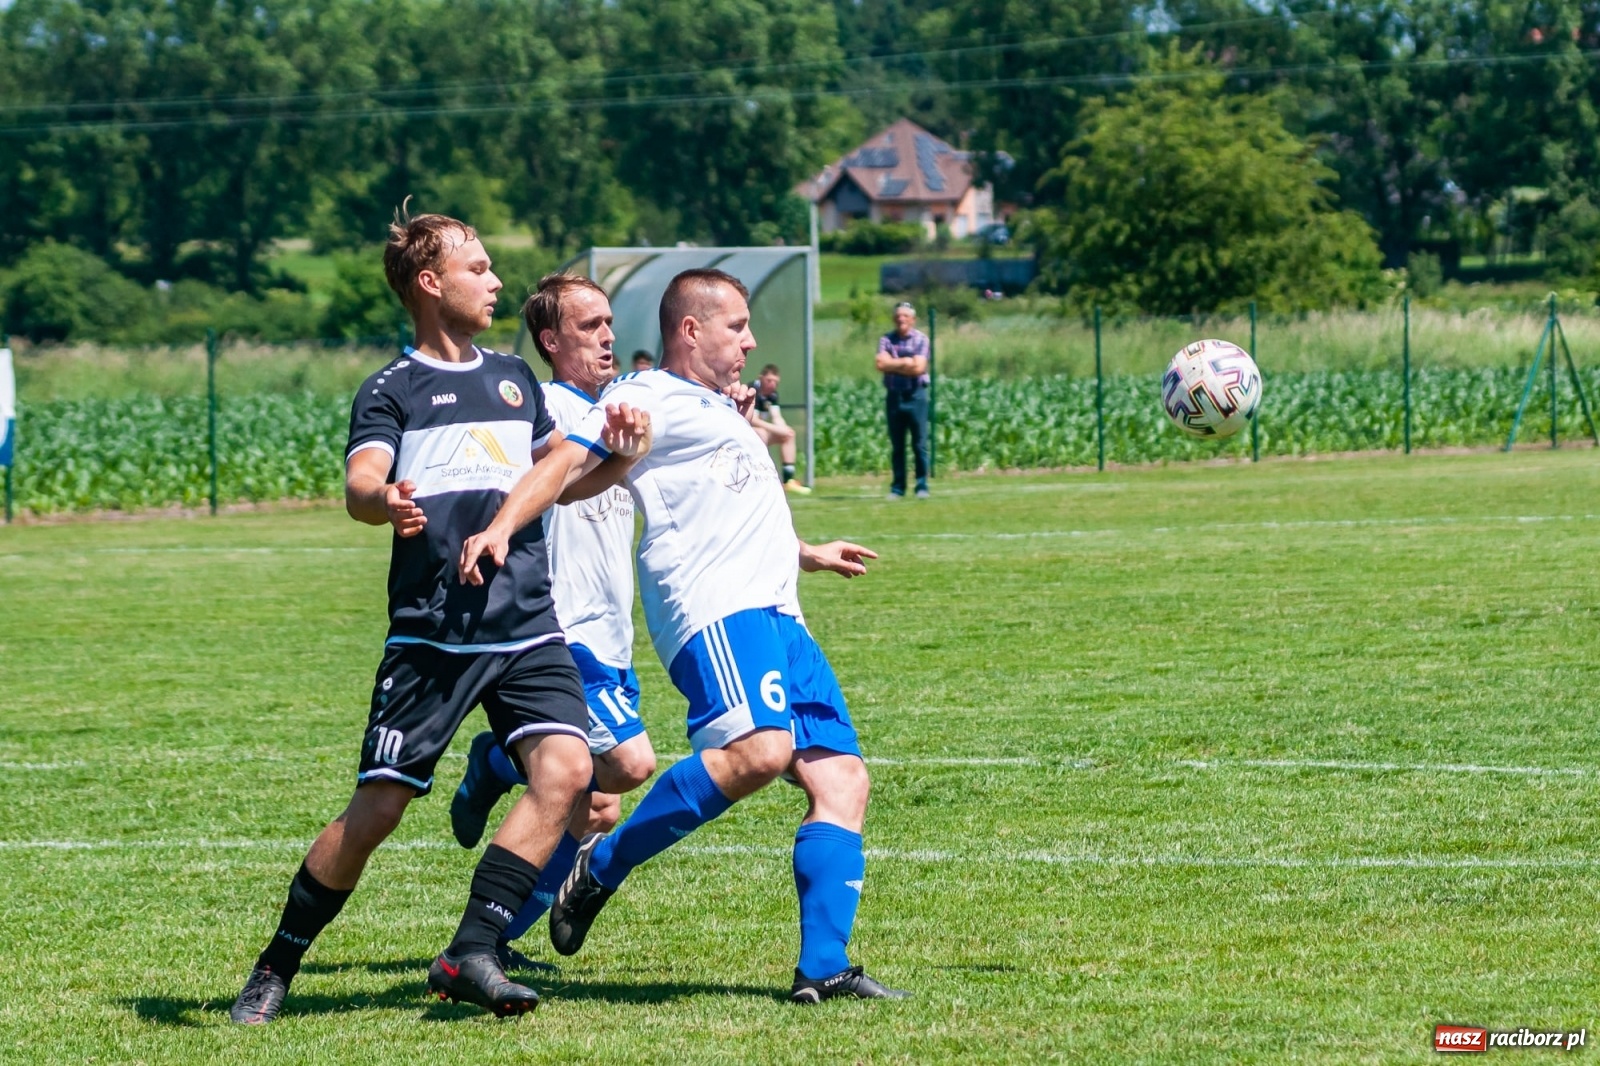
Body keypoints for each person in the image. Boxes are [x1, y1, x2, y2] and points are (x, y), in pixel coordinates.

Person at [227, 207, 651, 1024]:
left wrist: (618, 459)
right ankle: (279, 961)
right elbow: (360, 482)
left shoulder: (515, 378)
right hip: (434, 634)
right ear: (431, 283)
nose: (496, 282)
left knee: (565, 772)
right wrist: (383, 501)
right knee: (376, 813)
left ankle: (473, 949)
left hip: (527, 623)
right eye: (479, 268)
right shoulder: (394, 389)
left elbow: (556, 483)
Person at [455, 268, 907, 1004]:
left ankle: (823, 965)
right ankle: (599, 870)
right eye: (737, 327)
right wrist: (504, 523)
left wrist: (805, 551)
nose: (751, 340)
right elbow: (567, 460)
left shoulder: (714, 407)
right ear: (691, 330)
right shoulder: (648, 396)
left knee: (843, 780)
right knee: (761, 753)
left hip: (781, 614)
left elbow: (728, 505)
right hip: (720, 612)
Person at [448, 273, 658, 967]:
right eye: (591, 325)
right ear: (550, 340)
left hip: (612, 635)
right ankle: (499, 764)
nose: (609, 336)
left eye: (608, 323)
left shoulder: (614, 410)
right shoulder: (548, 411)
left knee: (594, 809)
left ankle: (499, 939)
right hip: (563, 634)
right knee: (628, 764)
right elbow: (557, 484)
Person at [876, 301, 930, 499]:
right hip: (894, 395)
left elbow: (919, 368)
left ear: (912, 319)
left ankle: (922, 485)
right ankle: (898, 487)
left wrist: (894, 363)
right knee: (897, 445)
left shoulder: (921, 340)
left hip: (916, 395)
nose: (901, 319)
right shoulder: (886, 339)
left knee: (919, 444)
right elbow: (881, 363)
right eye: (898, 316)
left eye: (905, 316)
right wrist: (906, 362)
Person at [746, 363, 809, 495]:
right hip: (744, 433)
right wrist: (776, 429)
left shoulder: (772, 395)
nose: (772, 385)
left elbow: (776, 416)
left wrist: (784, 429)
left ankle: (788, 481)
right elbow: (752, 419)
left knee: (789, 435)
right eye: (769, 381)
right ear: (761, 378)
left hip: (758, 431)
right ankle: (758, 477)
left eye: (775, 382)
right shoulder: (752, 390)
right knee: (761, 434)